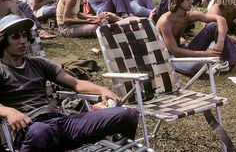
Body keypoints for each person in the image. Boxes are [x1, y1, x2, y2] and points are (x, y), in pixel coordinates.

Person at [0, 14, 138, 151]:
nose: (23, 41)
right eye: (16, 37)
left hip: (61, 123)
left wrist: (102, 90)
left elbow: (76, 84)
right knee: (41, 131)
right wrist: (8, 111)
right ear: (3, 41)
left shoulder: (38, 64)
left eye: (24, 35)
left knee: (127, 114)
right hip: (30, 128)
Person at [157, 0, 236, 75]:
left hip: (184, 50)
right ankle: (210, 64)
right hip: (170, 58)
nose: (191, 1)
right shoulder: (165, 22)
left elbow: (220, 19)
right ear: (178, 0)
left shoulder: (189, 15)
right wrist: (206, 54)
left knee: (213, 26)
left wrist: (220, 42)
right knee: (197, 68)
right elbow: (175, 51)